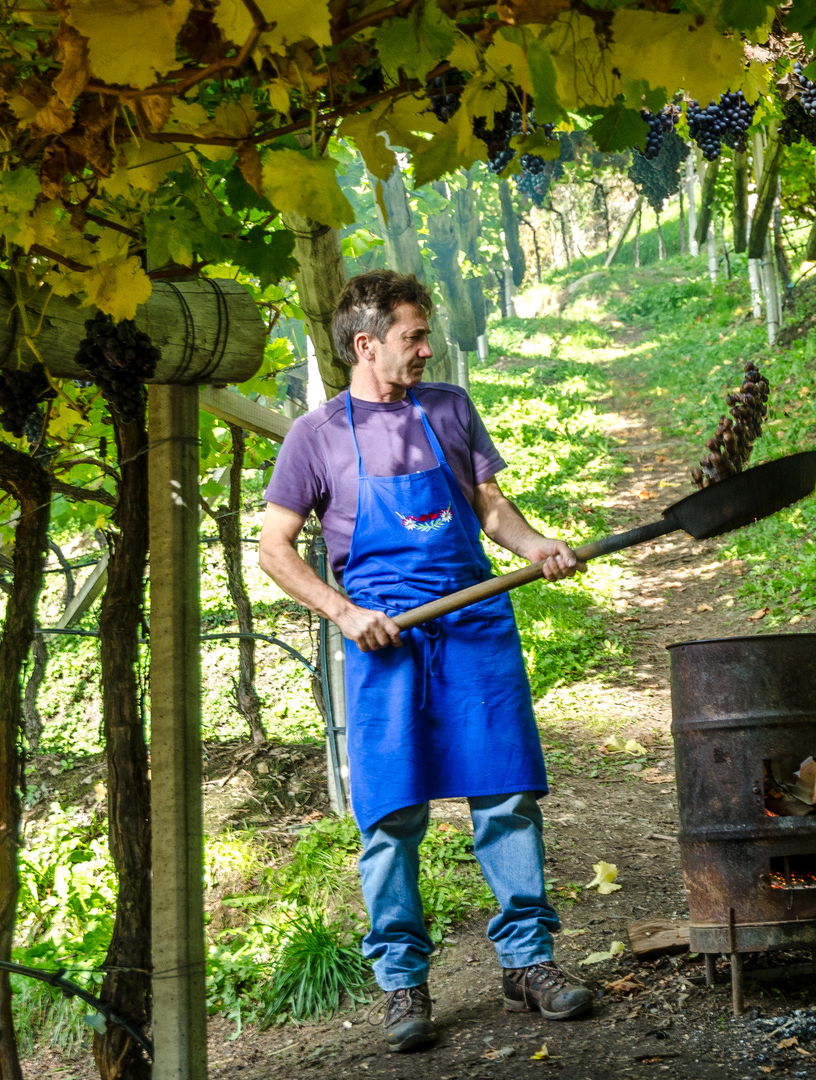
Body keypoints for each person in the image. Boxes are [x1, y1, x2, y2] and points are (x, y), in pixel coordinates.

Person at [258, 270, 593, 1052]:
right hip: (385, 640)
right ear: (366, 343)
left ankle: (528, 962)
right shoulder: (316, 436)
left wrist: (535, 544)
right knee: (392, 817)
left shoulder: (448, 407)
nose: (426, 347)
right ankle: (403, 982)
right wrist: (345, 613)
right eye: (413, 335)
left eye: (425, 334)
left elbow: (490, 508)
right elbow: (274, 550)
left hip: (472, 619)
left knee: (505, 798)